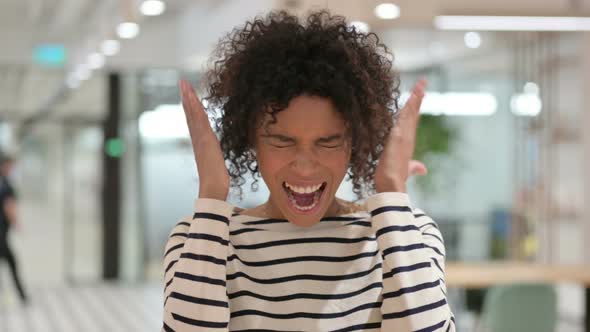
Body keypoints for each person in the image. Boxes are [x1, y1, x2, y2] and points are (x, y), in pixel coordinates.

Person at [163, 10, 455, 331]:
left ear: (354, 142)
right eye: (281, 141)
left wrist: (391, 194)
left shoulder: (407, 232)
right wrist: (211, 196)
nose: (304, 164)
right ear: (251, 141)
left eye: (327, 142)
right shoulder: (201, 237)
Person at [0, 153, 28, 304]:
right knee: (12, 262)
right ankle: (22, 295)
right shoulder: (6, 184)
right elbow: (9, 207)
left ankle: (22, 295)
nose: (11, 169)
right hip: (1, 232)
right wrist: (17, 223)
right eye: (10, 166)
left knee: (11, 262)